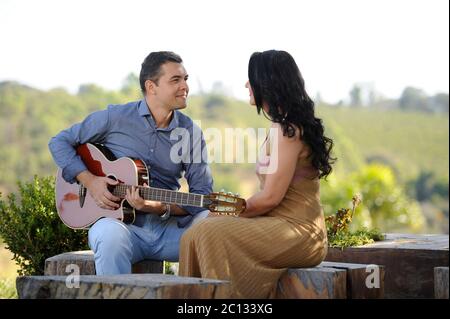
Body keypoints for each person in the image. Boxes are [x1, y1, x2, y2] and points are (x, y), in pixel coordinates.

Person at [179, 50, 335, 298]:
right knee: (192, 236)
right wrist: (224, 212)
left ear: (267, 82)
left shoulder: (289, 130)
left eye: (251, 78)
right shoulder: (279, 127)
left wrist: (231, 211)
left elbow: (270, 199)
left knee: (208, 232)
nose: (246, 84)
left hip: (300, 232)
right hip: (278, 224)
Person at [48, 51, 213, 275]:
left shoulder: (190, 132)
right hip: (122, 229)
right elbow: (59, 142)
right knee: (109, 235)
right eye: (176, 80)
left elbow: (201, 194)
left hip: (169, 232)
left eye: (185, 79)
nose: (184, 86)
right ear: (151, 86)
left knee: (211, 223)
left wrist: (157, 206)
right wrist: (91, 181)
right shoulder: (115, 117)